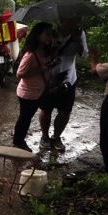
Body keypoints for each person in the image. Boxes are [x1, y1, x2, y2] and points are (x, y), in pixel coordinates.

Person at [38, 17, 89, 152]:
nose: (73, 23)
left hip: (69, 77)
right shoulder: (51, 31)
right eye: (69, 19)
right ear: (61, 20)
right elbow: (40, 50)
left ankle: (56, 137)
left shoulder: (79, 33)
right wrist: (53, 44)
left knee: (65, 110)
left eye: (75, 20)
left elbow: (84, 55)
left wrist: (77, 40)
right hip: (49, 75)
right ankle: (44, 136)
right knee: (46, 108)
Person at [12, 23, 55, 152]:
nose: (50, 37)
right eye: (47, 34)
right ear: (38, 36)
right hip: (27, 93)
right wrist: (40, 70)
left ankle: (19, 139)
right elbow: (19, 74)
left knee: (26, 118)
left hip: (38, 91)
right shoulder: (30, 55)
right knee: (24, 119)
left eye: (51, 34)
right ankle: (18, 142)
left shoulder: (45, 51)